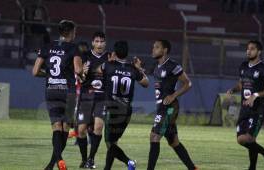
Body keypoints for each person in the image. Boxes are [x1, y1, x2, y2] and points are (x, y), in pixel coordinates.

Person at [32, 20, 84, 170]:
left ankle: (53, 163)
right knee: (65, 127)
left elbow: (35, 72)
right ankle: (53, 162)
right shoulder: (74, 48)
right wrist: (82, 70)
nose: (76, 34)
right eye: (75, 31)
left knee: (56, 127)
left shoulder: (47, 47)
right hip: (68, 92)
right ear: (70, 32)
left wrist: (49, 75)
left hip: (52, 90)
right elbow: (78, 70)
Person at [97, 41, 149, 170]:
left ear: (114, 52)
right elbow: (146, 83)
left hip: (112, 109)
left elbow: (97, 71)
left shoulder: (108, 65)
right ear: (127, 53)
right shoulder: (132, 69)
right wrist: (139, 68)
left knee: (109, 142)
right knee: (113, 142)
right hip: (126, 111)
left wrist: (110, 61)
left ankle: (129, 162)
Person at [147, 40, 198, 170]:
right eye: (153, 47)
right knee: (173, 141)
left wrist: (173, 95)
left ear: (164, 50)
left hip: (170, 107)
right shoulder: (156, 66)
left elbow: (188, 83)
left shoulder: (172, 65)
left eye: (157, 47)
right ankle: (193, 168)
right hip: (161, 106)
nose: (153, 49)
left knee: (154, 136)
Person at [226, 40, 264, 170]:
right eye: (247, 48)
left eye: (252, 49)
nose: (248, 51)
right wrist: (233, 90)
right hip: (245, 109)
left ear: (259, 52)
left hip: (257, 109)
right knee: (243, 139)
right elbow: (241, 84)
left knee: (246, 139)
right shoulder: (243, 66)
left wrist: (255, 95)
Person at [76, 32, 110, 169]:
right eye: (97, 41)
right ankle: (84, 159)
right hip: (86, 97)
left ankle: (91, 159)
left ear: (105, 43)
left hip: (103, 97)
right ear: (92, 43)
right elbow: (80, 79)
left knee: (98, 127)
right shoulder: (85, 57)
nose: (99, 44)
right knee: (81, 130)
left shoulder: (109, 57)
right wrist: (83, 73)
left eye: (102, 41)